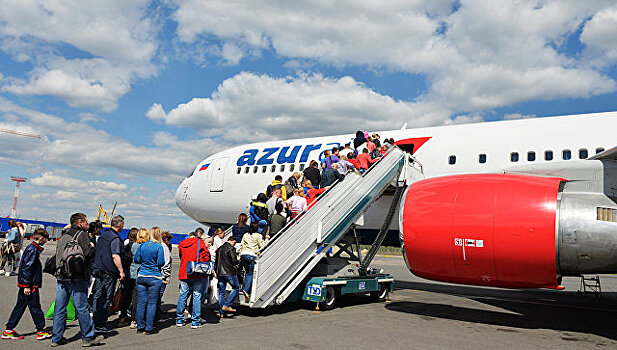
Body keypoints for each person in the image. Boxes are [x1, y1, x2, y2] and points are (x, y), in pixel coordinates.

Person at [52, 213, 103, 347]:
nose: (88, 224)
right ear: (80, 222)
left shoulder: (65, 234)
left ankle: (56, 338)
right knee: (81, 307)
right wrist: (92, 246)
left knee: (60, 308)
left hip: (61, 275)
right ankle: (88, 337)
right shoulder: (82, 235)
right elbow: (88, 253)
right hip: (77, 276)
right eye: (86, 222)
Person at [2, 228, 51, 341]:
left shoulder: (32, 248)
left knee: (20, 306)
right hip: (30, 284)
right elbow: (27, 269)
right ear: (41, 238)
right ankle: (40, 330)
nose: (46, 241)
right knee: (35, 307)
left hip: (27, 284)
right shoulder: (33, 250)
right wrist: (27, 285)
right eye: (46, 239)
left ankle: (9, 330)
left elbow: (26, 268)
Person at [91, 215, 125, 333]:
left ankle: (95, 320)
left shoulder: (103, 235)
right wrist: (121, 271)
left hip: (98, 267)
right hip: (108, 271)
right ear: (120, 225)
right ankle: (100, 324)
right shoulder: (114, 238)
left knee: (98, 295)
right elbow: (115, 255)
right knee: (106, 297)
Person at [176, 229, 210, 328]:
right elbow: (205, 257)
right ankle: (195, 321)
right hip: (197, 273)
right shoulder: (199, 242)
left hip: (184, 272)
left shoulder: (181, 244)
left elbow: (181, 257)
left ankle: (179, 319)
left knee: (183, 296)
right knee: (196, 296)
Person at [134, 228, 165, 334]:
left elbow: (136, 260)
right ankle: (149, 327)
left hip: (142, 275)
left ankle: (140, 326)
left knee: (141, 302)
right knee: (152, 303)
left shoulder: (142, 246)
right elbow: (161, 262)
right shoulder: (159, 247)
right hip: (154, 276)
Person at [240, 223, 269, 302]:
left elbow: (242, 245)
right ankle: (246, 290)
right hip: (251, 255)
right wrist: (266, 239)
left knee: (247, 273)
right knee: (250, 273)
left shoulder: (245, 235)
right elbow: (262, 246)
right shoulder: (258, 236)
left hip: (243, 255)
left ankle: (244, 288)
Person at [128, 229, 150, 329]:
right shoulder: (143, 247)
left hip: (132, 273)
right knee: (139, 298)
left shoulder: (134, 245)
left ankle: (132, 317)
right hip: (140, 273)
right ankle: (136, 319)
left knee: (134, 296)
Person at [216, 236, 240, 316]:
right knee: (236, 287)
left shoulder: (220, 248)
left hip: (219, 272)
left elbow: (216, 261)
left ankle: (221, 312)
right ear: (232, 241)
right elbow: (234, 261)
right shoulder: (231, 248)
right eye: (234, 243)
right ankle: (227, 305)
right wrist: (238, 261)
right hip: (229, 272)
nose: (234, 244)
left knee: (221, 292)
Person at [119, 228, 138, 327]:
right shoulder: (138, 247)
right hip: (135, 275)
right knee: (135, 298)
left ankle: (122, 317)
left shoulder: (126, 247)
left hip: (126, 274)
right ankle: (133, 319)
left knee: (125, 297)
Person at [153, 228, 171, 325]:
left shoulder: (149, 245)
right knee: (157, 297)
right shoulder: (164, 247)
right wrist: (166, 277)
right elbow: (166, 263)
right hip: (160, 276)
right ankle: (155, 317)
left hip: (149, 274)